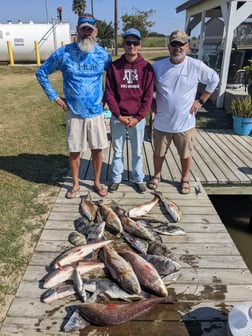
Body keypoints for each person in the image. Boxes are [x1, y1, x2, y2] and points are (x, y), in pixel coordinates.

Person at [36, 13, 112, 198]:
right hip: (74, 111)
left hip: (96, 112)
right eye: (83, 29)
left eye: (90, 30)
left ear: (96, 31)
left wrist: (106, 98)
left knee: (97, 149)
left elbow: (111, 77)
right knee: (74, 150)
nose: (86, 33)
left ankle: (96, 181)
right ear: (77, 31)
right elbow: (41, 73)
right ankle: (76, 183)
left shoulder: (103, 54)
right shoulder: (64, 53)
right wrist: (55, 98)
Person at [147, 29, 219, 194]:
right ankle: (157, 175)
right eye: (174, 44)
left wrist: (201, 101)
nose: (177, 48)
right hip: (161, 122)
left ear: (187, 46)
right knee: (158, 153)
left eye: (181, 44)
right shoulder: (158, 66)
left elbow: (214, 79)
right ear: (168, 46)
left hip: (185, 123)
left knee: (185, 154)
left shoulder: (196, 65)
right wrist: (151, 102)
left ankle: (184, 178)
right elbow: (148, 88)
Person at [105, 28, 154, 193]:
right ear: (123, 44)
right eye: (128, 42)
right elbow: (109, 93)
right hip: (118, 117)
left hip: (137, 118)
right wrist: (118, 115)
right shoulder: (114, 67)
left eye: (135, 43)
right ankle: (116, 178)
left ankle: (138, 178)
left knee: (137, 151)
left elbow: (148, 96)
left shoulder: (147, 67)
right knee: (117, 150)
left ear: (139, 45)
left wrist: (139, 117)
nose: (131, 46)